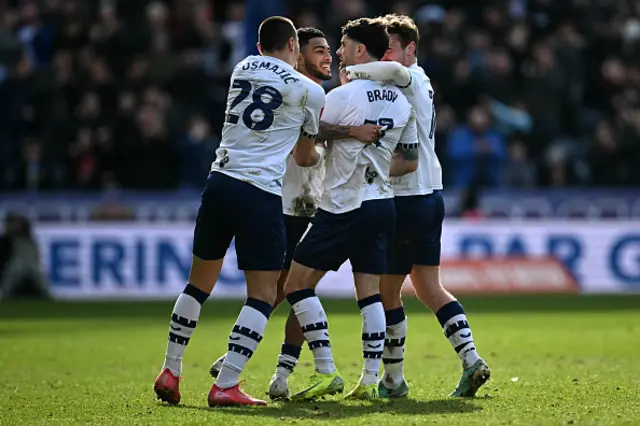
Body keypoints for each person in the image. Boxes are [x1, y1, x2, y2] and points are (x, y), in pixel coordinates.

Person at [153, 16, 326, 407]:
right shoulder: (309, 91)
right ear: (294, 46)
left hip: (219, 182)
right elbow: (303, 155)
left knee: (197, 285)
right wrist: (322, 150)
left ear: (261, 44)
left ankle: (171, 369)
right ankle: (226, 383)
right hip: (259, 193)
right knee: (264, 293)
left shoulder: (242, 67)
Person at [208, 27, 383, 401]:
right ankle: (252, 364)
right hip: (281, 202)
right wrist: (351, 133)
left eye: (329, 51)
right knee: (281, 291)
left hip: (307, 203)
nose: (328, 57)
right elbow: (310, 144)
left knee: (294, 292)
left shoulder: (323, 95)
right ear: (296, 54)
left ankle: (278, 372)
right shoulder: (299, 92)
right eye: (319, 51)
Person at [345, 14, 491, 398]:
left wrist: (352, 68)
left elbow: (385, 71)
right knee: (429, 288)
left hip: (408, 197)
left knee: (386, 291)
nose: (388, 53)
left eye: (394, 45)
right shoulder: (408, 81)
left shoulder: (412, 78)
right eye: (386, 45)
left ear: (411, 49)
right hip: (430, 195)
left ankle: (392, 381)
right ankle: (471, 359)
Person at [284, 17, 419, 401]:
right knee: (370, 294)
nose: (339, 53)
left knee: (296, 284)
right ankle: (371, 380)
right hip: (382, 204)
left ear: (361, 51)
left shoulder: (343, 96)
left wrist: (345, 135)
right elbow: (409, 158)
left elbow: (311, 134)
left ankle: (326, 370)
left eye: (343, 45)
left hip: (342, 205)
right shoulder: (401, 100)